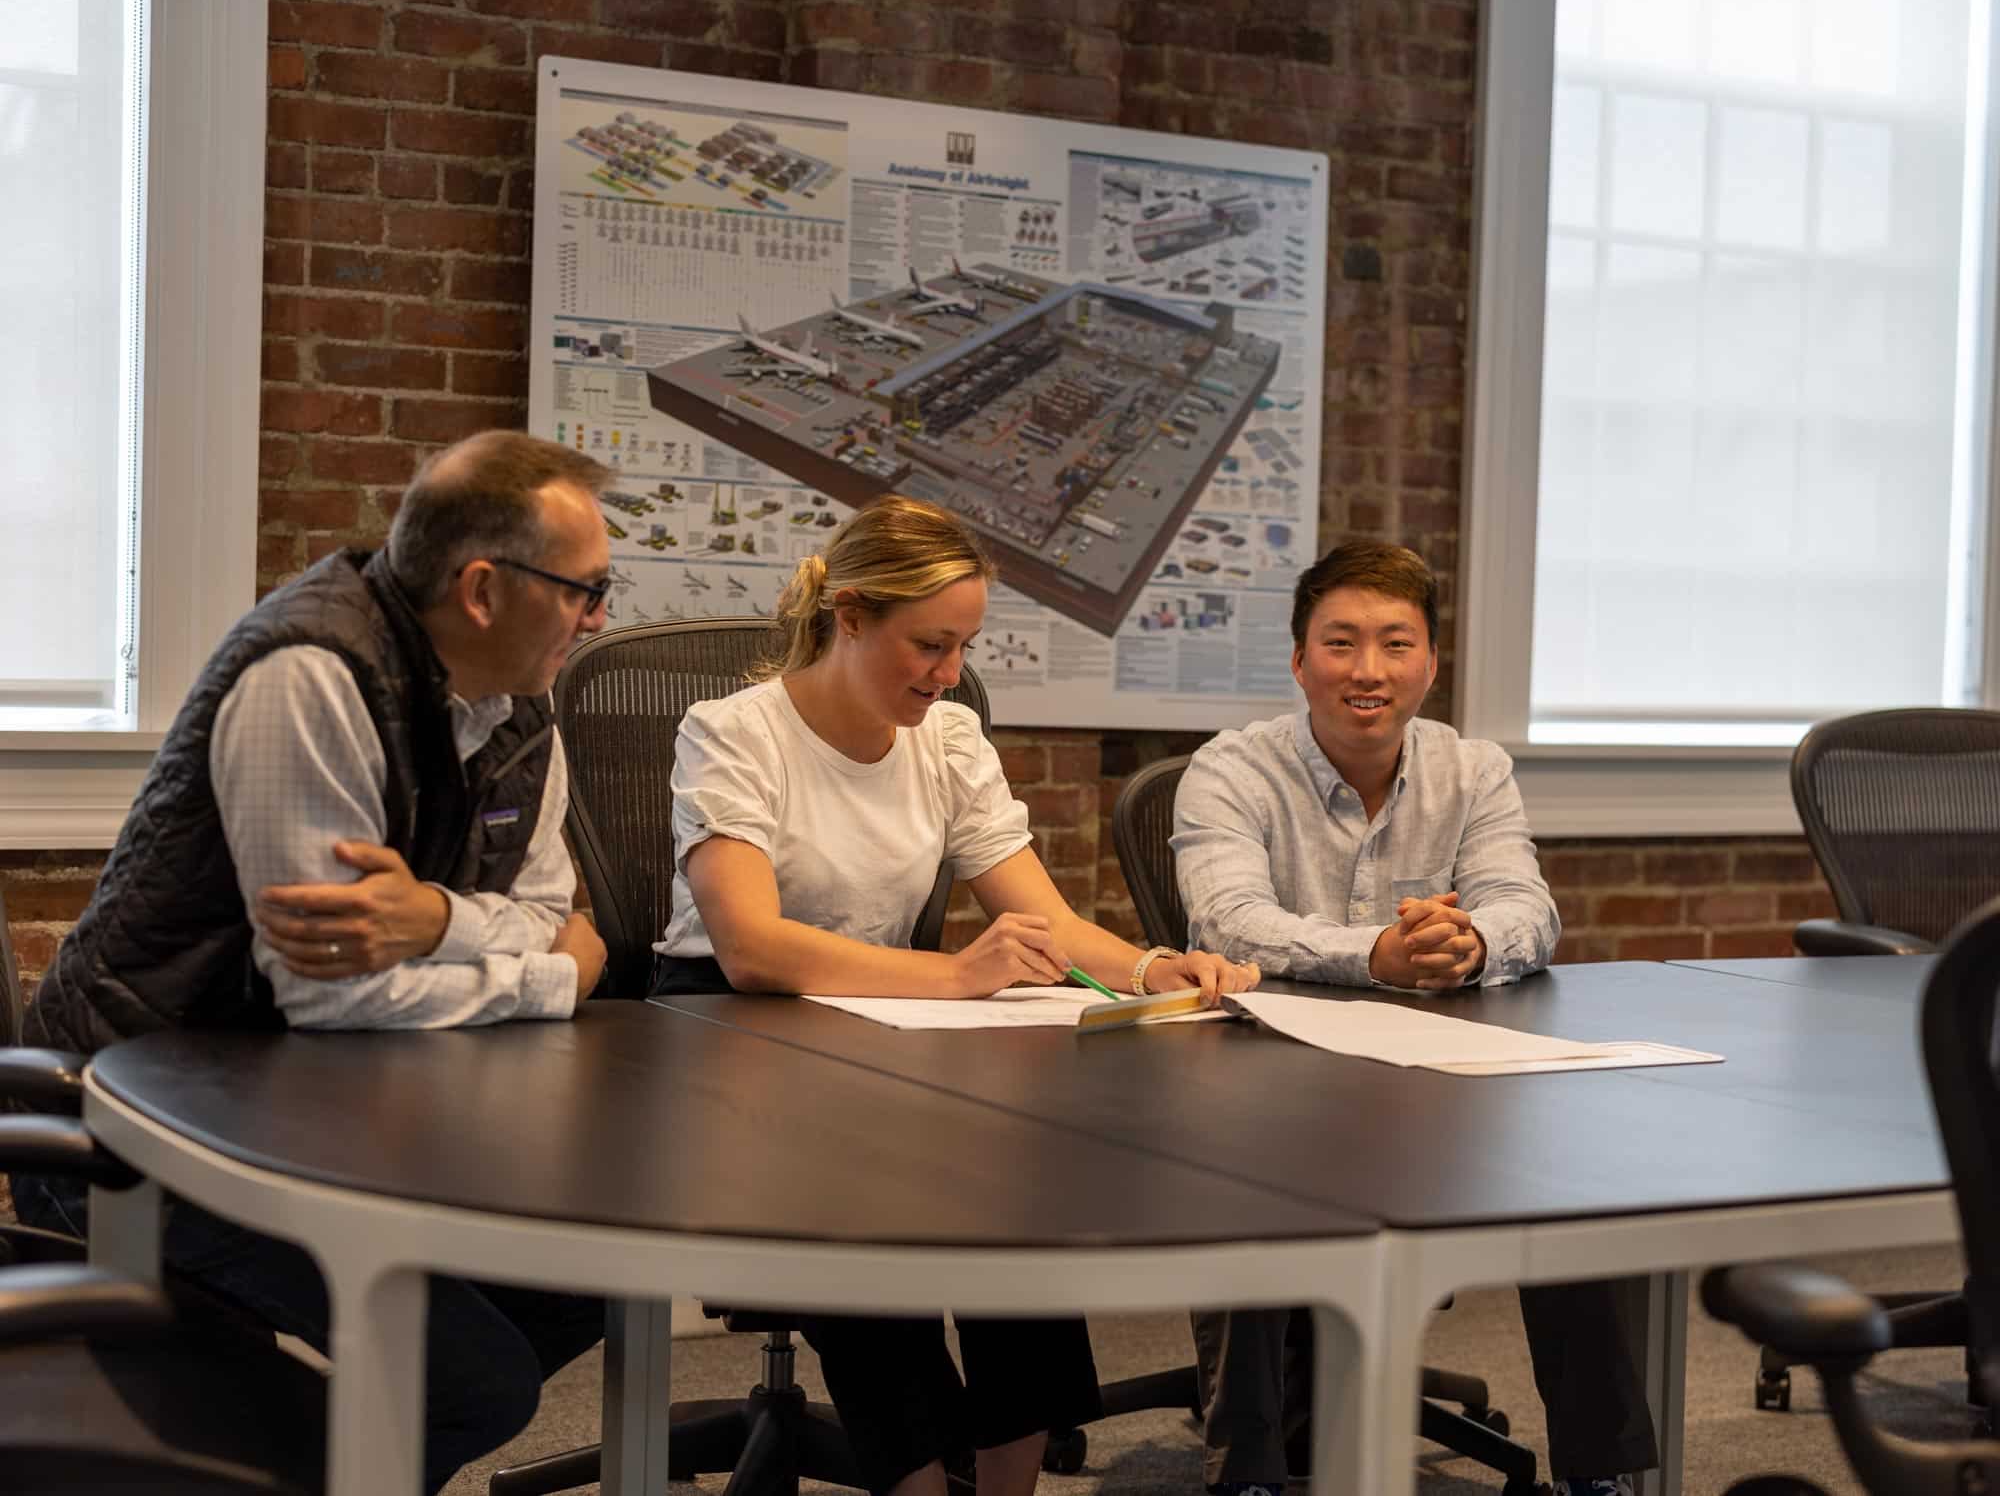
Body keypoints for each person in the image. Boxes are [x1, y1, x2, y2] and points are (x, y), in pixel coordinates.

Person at [15, 429, 617, 1495]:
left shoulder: (522, 715)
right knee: (473, 1383)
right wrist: (556, 974)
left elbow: (543, 905)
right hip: (149, 1134)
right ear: (483, 589)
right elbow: (340, 993)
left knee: (582, 1286)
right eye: (584, 588)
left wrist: (431, 919)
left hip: (315, 1116)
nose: (599, 615)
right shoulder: (314, 677)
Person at [652, 493, 1260, 1496]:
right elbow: (751, 947)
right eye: (928, 646)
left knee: (1008, 1182)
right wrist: (958, 975)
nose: (947, 675)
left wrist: (1156, 968)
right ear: (848, 616)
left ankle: (1008, 1475)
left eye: (963, 647)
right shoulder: (732, 731)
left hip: (879, 1018)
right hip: (728, 1022)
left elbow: (1047, 925)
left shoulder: (946, 739)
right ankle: (920, 1474)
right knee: (854, 1205)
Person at [1169, 539, 1659, 1496]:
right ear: (1301, 658)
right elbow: (1231, 920)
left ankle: (1603, 1471)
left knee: (1564, 1178)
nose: (1368, 670)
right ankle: (1251, 1468)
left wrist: (1470, 940)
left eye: (1396, 643)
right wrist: (1376, 953)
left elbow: (1529, 905)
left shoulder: (1474, 771)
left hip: (1435, 1085)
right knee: (1241, 1170)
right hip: (1270, 1076)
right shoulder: (1227, 771)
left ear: (1430, 662)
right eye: (1341, 642)